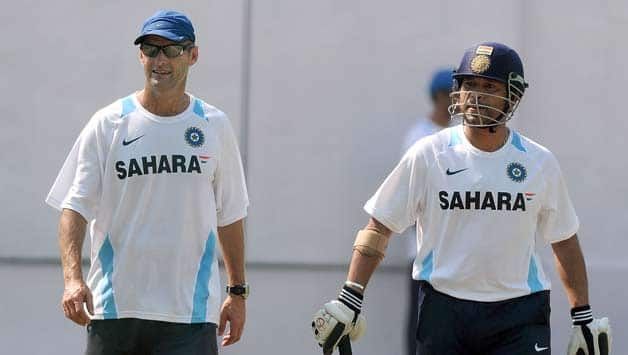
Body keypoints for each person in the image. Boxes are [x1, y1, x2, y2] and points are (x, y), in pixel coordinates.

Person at [312, 42, 612, 355]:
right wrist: (350, 297)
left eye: (489, 86)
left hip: (520, 312)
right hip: (444, 309)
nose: (476, 95)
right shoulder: (429, 153)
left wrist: (582, 316)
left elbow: (563, 240)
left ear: (513, 96)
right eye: (469, 84)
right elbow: (379, 225)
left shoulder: (539, 162)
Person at [45, 10, 250, 355]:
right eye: (152, 49)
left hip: (190, 315)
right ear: (140, 55)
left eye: (172, 50)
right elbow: (74, 207)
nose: (161, 60)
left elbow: (230, 215)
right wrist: (72, 279)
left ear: (193, 55)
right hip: (114, 311)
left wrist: (237, 292)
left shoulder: (214, 126)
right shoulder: (108, 123)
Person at [401, 68, 453, 355]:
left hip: (456, 253)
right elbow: (412, 193)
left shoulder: (461, 137)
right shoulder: (419, 137)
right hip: (424, 252)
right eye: (452, 94)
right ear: (439, 96)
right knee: (422, 325)